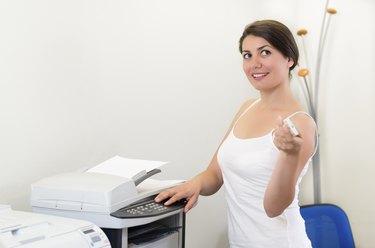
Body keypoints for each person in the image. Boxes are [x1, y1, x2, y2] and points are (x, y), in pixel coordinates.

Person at [155, 19, 317, 248]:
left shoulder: (300, 124)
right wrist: (195, 184)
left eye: (265, 52)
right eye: (247, 55)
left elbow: (273, 208)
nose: (255, 64)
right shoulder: (246, 108)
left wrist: (290, 155)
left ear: (289, 59)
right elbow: (215, 175)